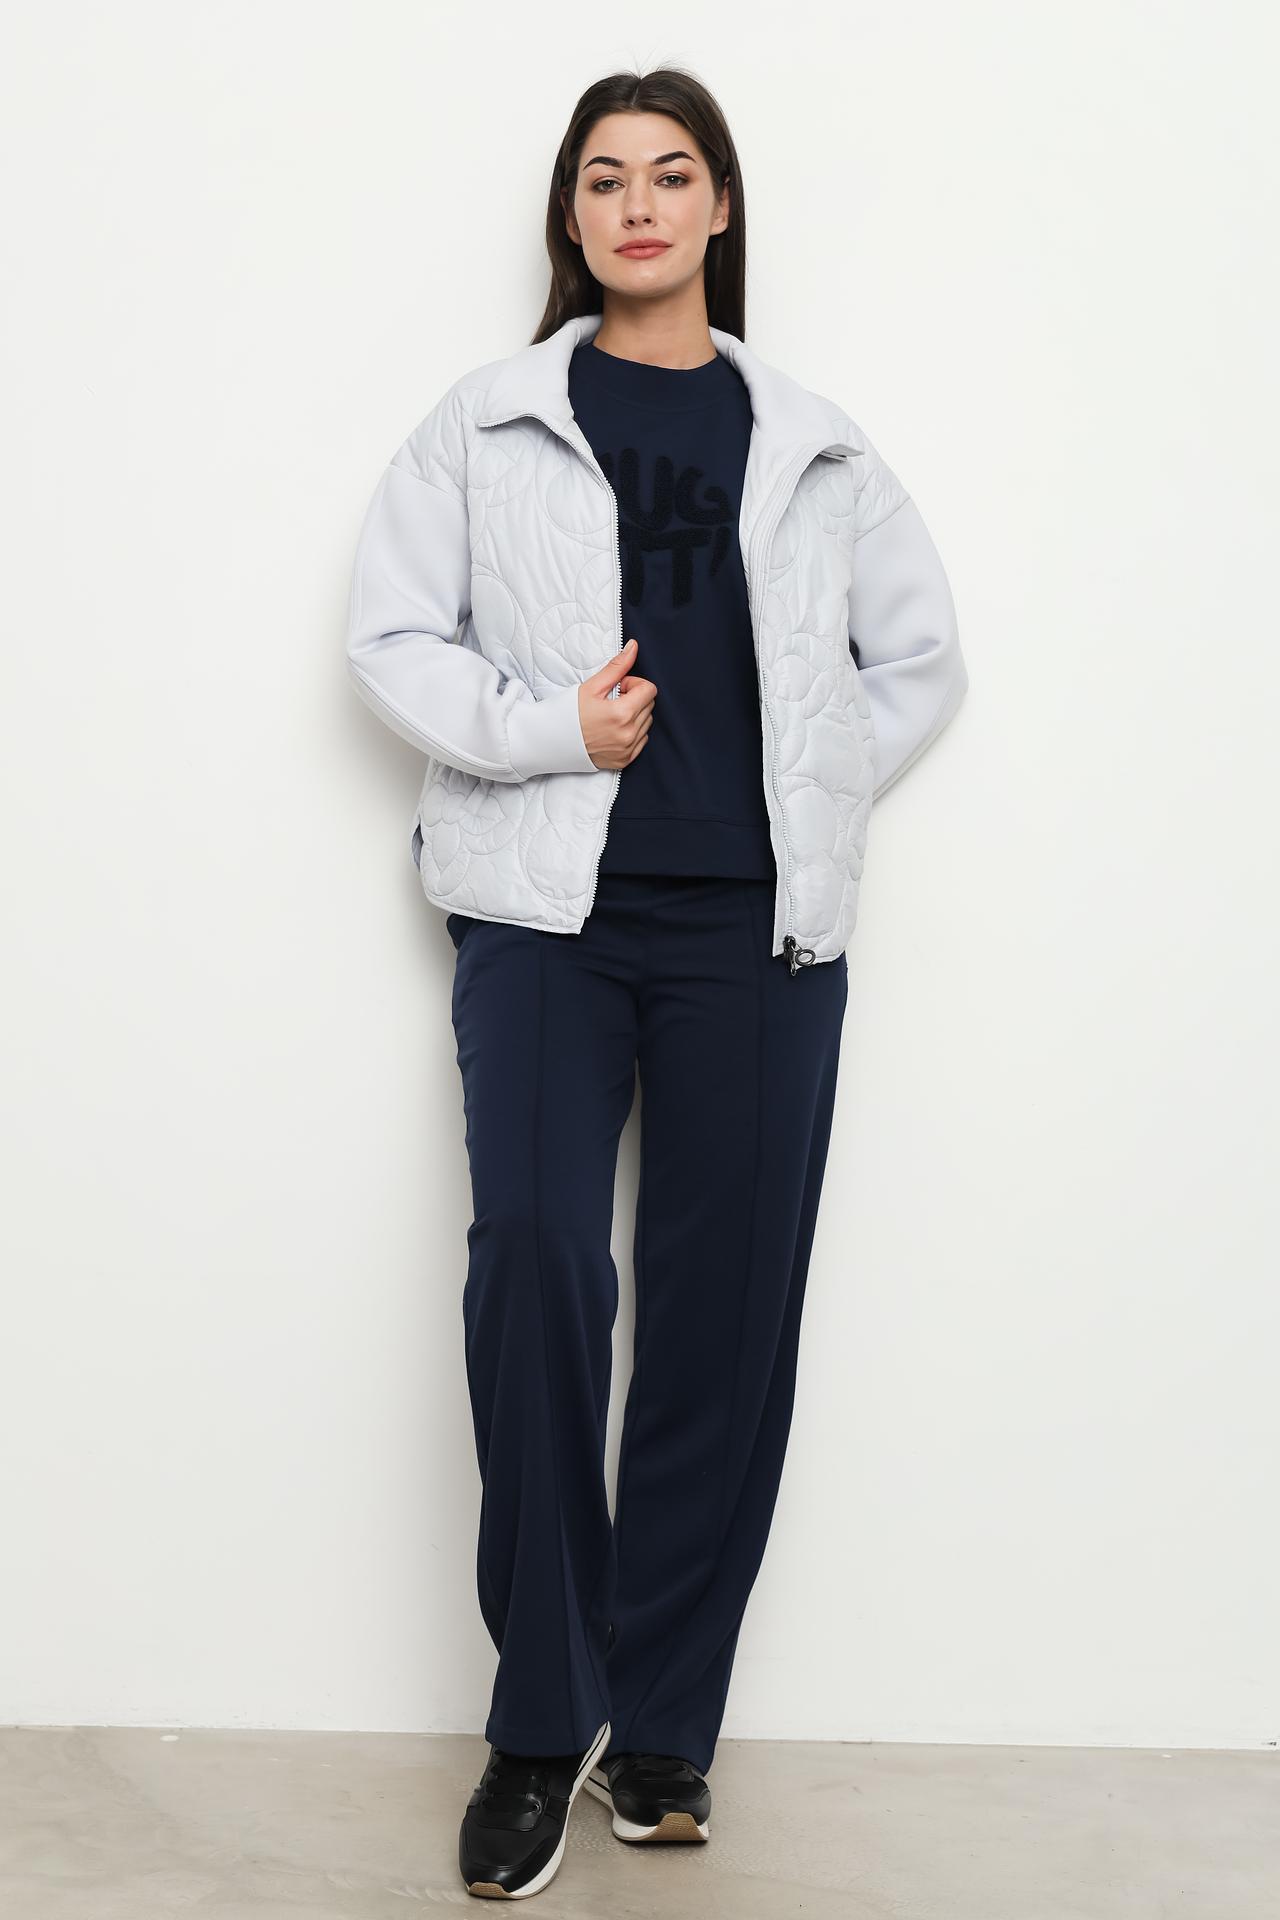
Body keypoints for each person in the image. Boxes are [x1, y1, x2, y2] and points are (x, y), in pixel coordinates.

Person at [345, 65, 968, 1902]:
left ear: (718, 208)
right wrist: (555, 729)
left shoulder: (815, 443)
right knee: (539, 1265)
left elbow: (919, 659)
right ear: (571, 214)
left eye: (670, 175)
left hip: (757, 936)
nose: (637, 206)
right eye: (605, 178)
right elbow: (389, 637)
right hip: (543, 917)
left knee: (724, 1320)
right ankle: (543, 1720)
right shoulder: (488, 421)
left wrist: (808, 789)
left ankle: (667, 1727)